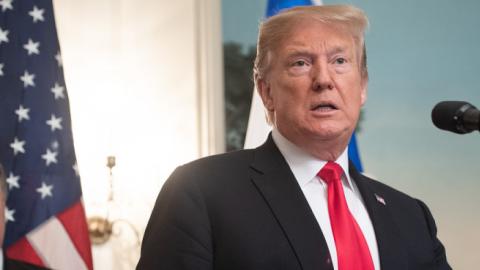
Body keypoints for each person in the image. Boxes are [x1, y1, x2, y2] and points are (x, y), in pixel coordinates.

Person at [137, 5, 451, 270]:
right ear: (266, 91)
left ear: (363, 85)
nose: (324, 80)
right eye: (301, 63)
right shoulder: (200, 192)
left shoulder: (411, 216)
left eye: (340, 61)